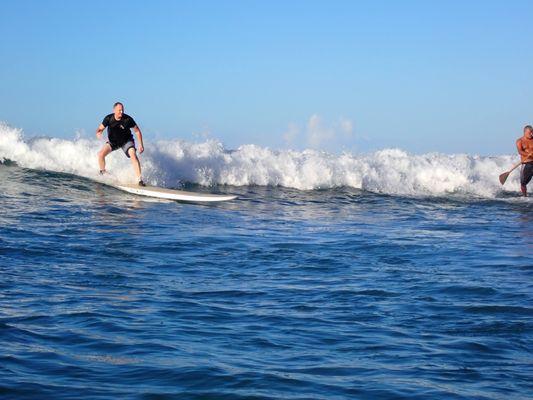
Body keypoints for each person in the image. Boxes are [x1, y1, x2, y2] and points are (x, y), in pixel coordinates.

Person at [96, 102, 146, 186]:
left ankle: (139, 180)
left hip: (126, 141)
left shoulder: (128, 119)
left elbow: (137, 131)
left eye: (122, 110)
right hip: (113, 142)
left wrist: (141, 145)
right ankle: (103, 173)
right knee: (101, 154)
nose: (121, 112)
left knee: (133, 155)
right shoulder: (108, 118)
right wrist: (99, 133)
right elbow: (99, 129)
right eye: (119, 110)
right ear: (114, 110)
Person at [516, 125, 533, 196]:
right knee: (523, 183)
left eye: (532, 132)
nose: (532, 134)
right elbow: (520, 151)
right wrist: (528, 154)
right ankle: (524, 197)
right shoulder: (519, 141)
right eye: (530, 133)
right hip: (527, 163)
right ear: (525, 132)